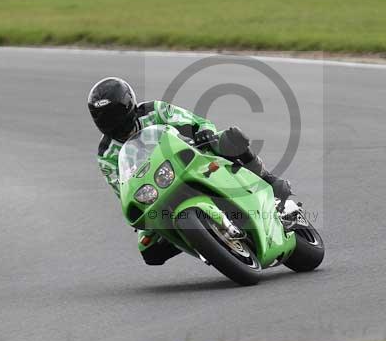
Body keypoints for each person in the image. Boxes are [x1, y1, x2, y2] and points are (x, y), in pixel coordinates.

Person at [88, 77, 292, 266]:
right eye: (104, 118)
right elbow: (122, 189)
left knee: (230, 138)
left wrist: (203, 131)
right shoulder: (106, 154)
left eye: (115, 115)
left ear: (128, 106)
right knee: (149, 251)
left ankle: (268, 180)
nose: (112, 122)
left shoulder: (154, 110)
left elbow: (195, 121)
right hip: (157, 190)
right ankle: (200, 239)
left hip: (193, 158)